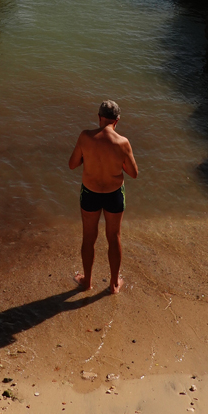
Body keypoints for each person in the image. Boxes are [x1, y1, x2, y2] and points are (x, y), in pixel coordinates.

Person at [68, 100, 138, 295]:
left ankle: (87, 281)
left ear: (99, 117)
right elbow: (133, 173)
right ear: (117, 121)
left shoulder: (85, 137)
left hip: (90, 193)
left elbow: (72, 164)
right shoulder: (122, 142)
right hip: (114, 194)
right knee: (114, 237)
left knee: (89, 237)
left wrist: (87, 157)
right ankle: (114, 284)